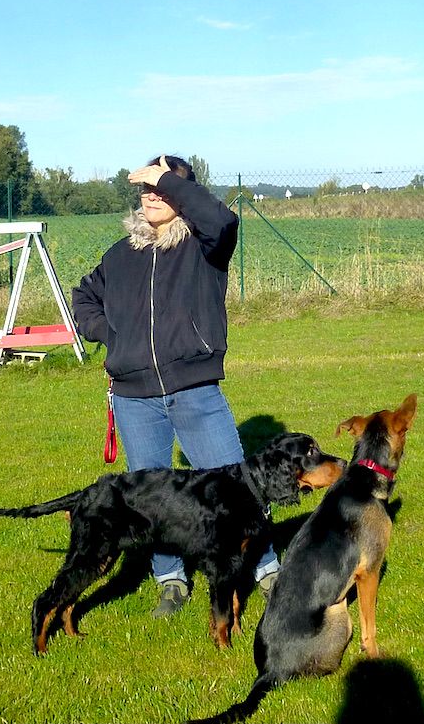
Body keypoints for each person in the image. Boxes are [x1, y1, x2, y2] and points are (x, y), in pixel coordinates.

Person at [72, 154, 280, 617]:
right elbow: (84, 296)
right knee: (150, 495)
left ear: (184, 195)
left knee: (237, 488)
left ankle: (266, 569)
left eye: (162, 189)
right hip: (133, 396)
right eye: (146, 189)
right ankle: (170, 579)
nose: (152, 195)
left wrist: (166, 178)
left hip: (195, 391)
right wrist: (112, 333)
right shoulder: (120, 254)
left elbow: (222, 219)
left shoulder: (205, 246)